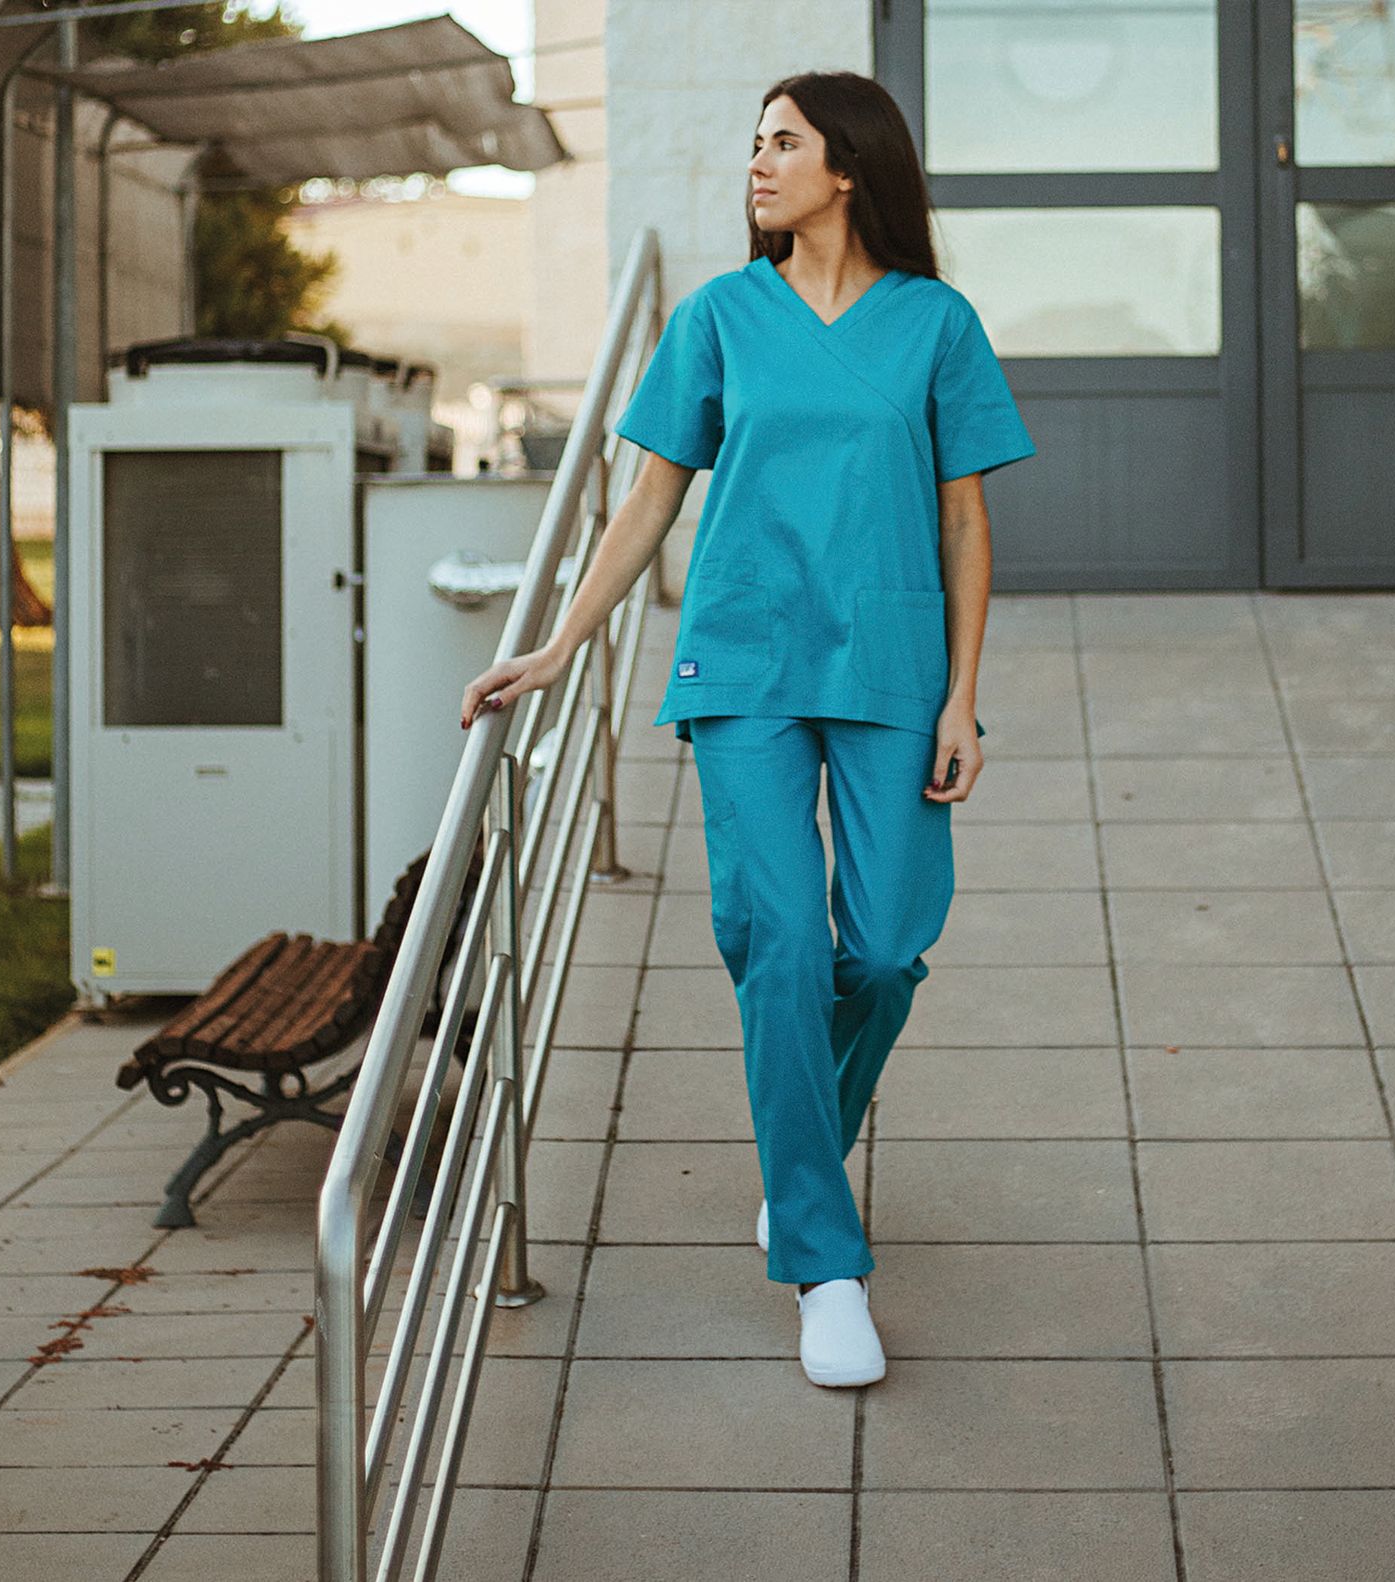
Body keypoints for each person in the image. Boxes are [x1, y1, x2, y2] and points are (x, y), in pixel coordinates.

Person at [460, 70, 1035, 1388]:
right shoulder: (719, 315)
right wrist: (556, 646)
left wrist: (961, 694)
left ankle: (798, 1156)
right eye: (754, 142)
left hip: (893, 665)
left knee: (885, 946)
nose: (759, 162)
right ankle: (825, 1265)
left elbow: (966, 521)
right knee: (776, 938)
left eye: (783, 140)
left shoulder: (936, 324)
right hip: (745, 664)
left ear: (850, 166)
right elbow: (649, 504)